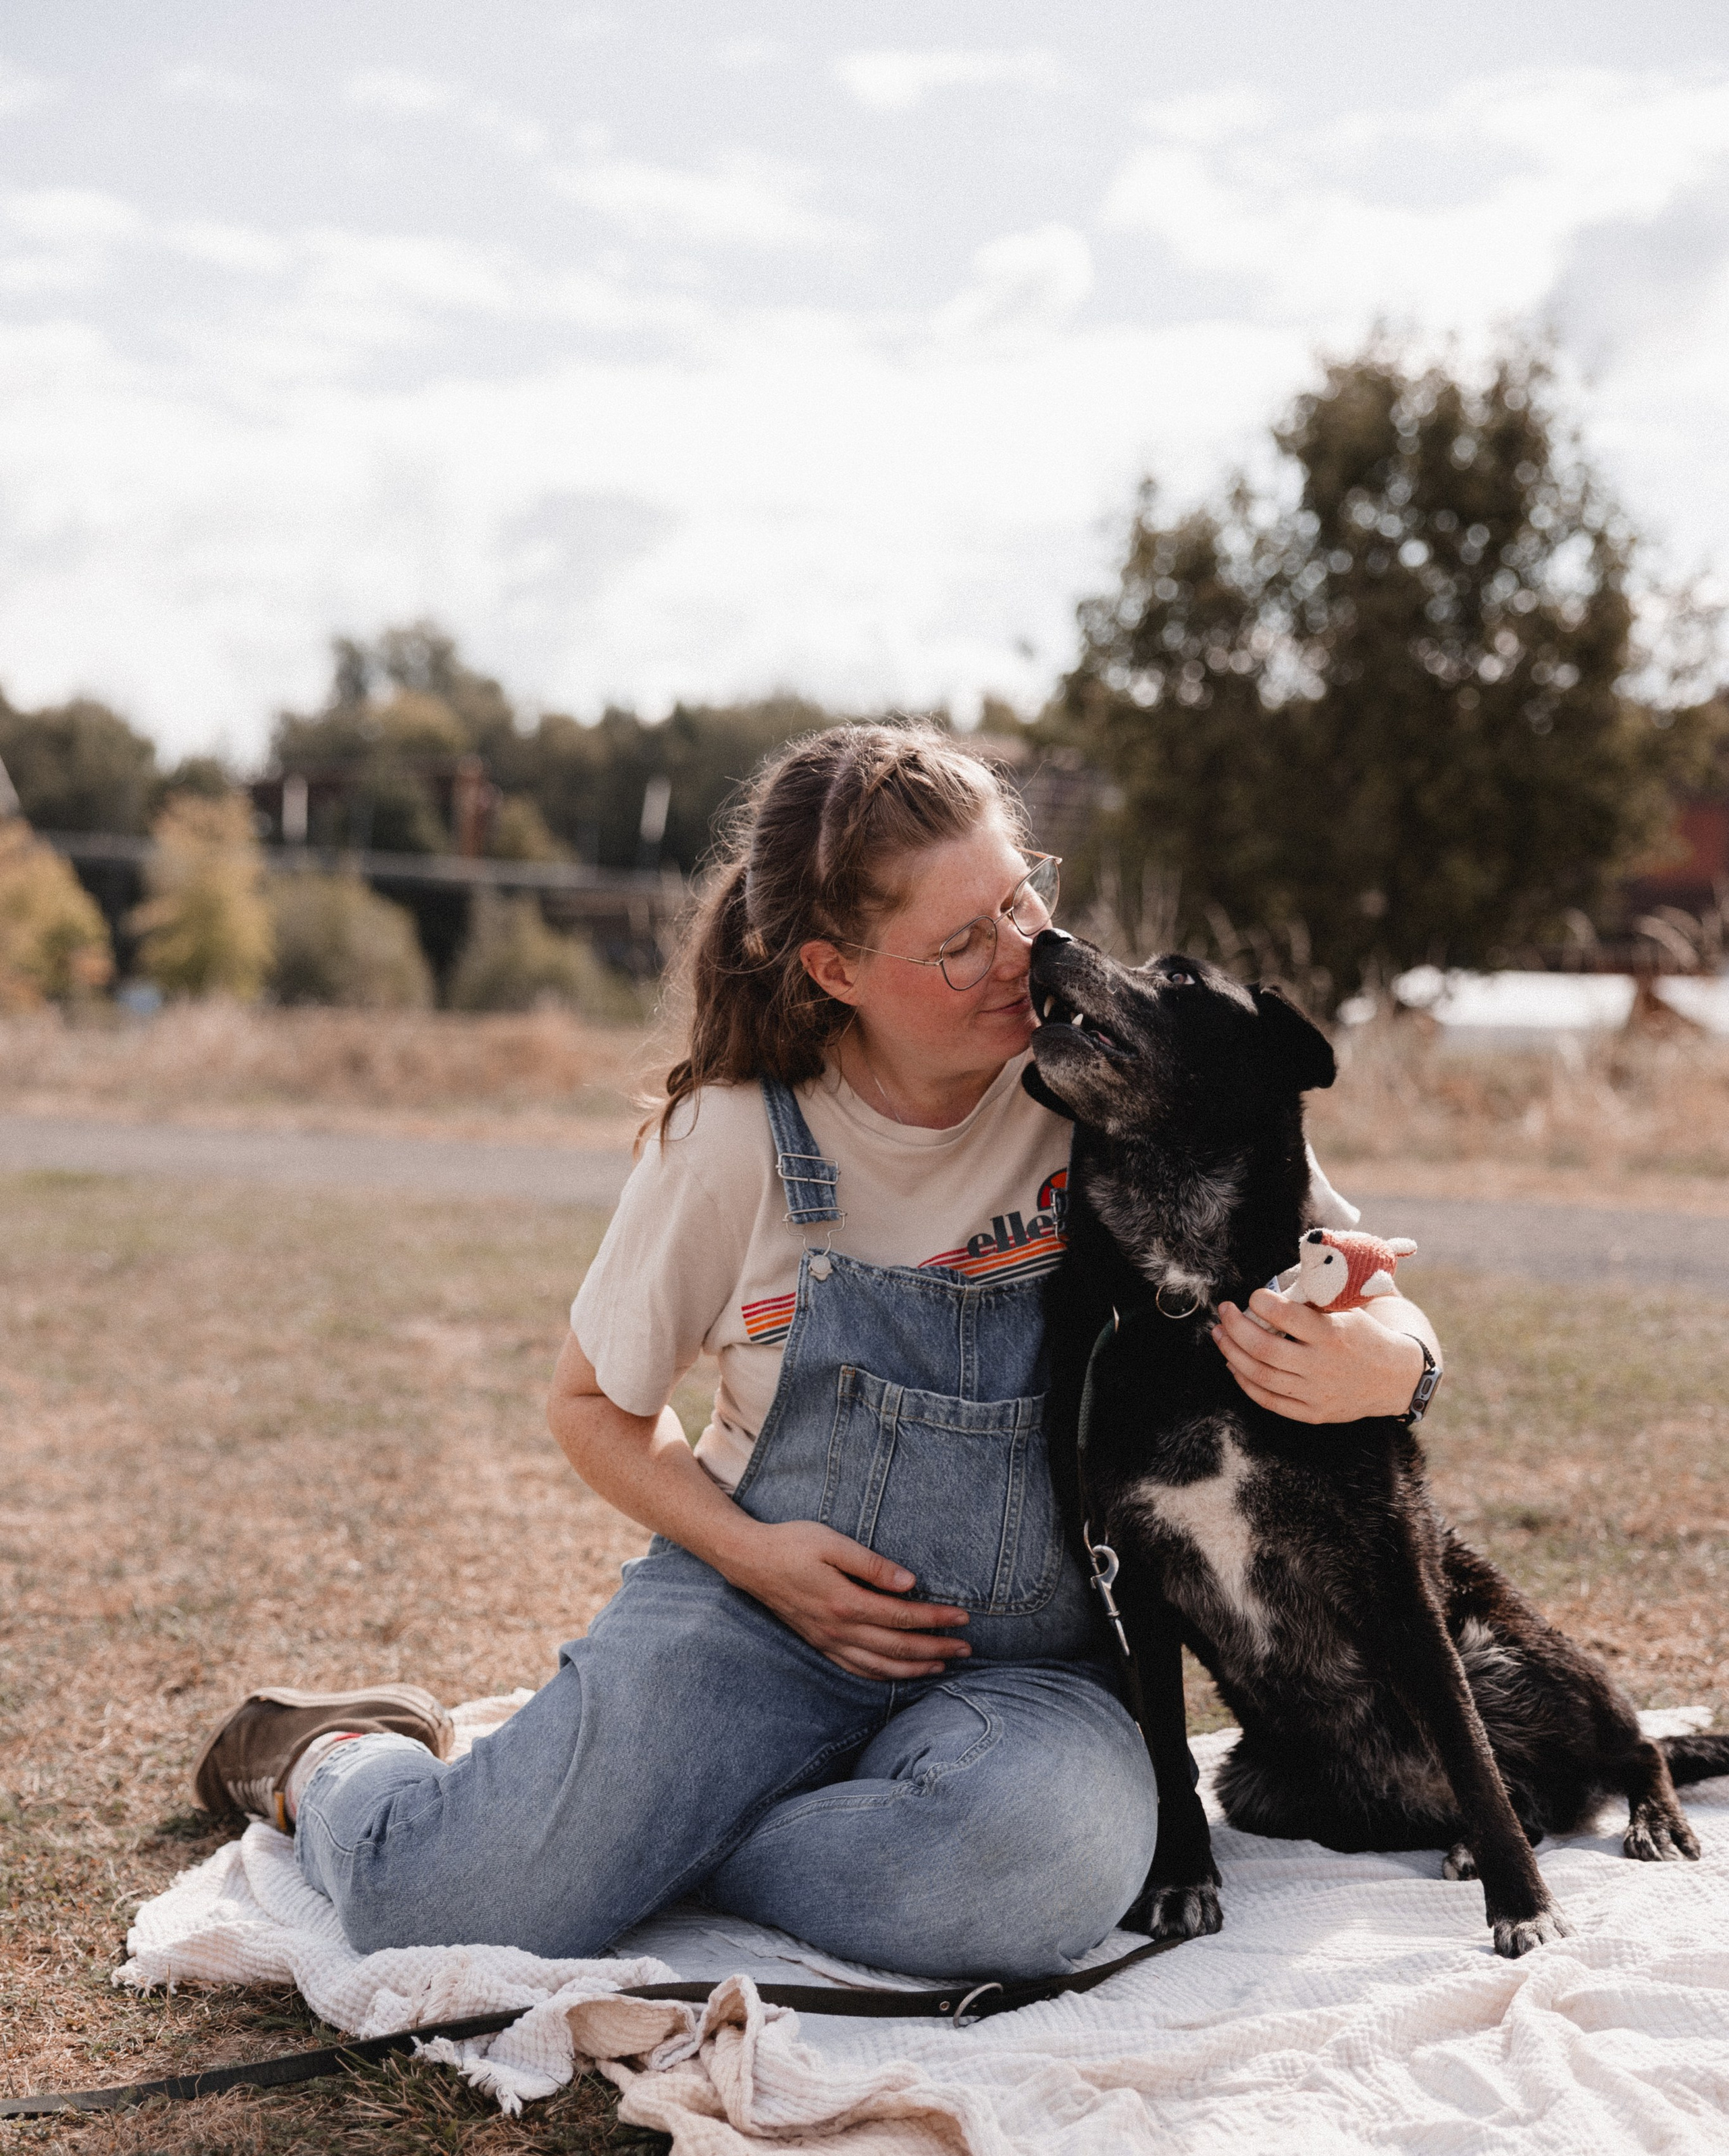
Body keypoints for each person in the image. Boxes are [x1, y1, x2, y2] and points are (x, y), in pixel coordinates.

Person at [195, 726, 1443, 1977]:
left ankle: (689, 1832)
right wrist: (759, 1559)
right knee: (434, 1903)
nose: (1026, 956)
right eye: (962, 944)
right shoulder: (735, 1141)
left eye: (1022, 899)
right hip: (754, 1624)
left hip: (1027, 1672)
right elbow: (592, 1407)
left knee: (1045, 1877)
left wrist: (1396, 1372)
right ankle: (338, 1755)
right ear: (836, 970)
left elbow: (1367, 1287)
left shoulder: (1114, 1089)